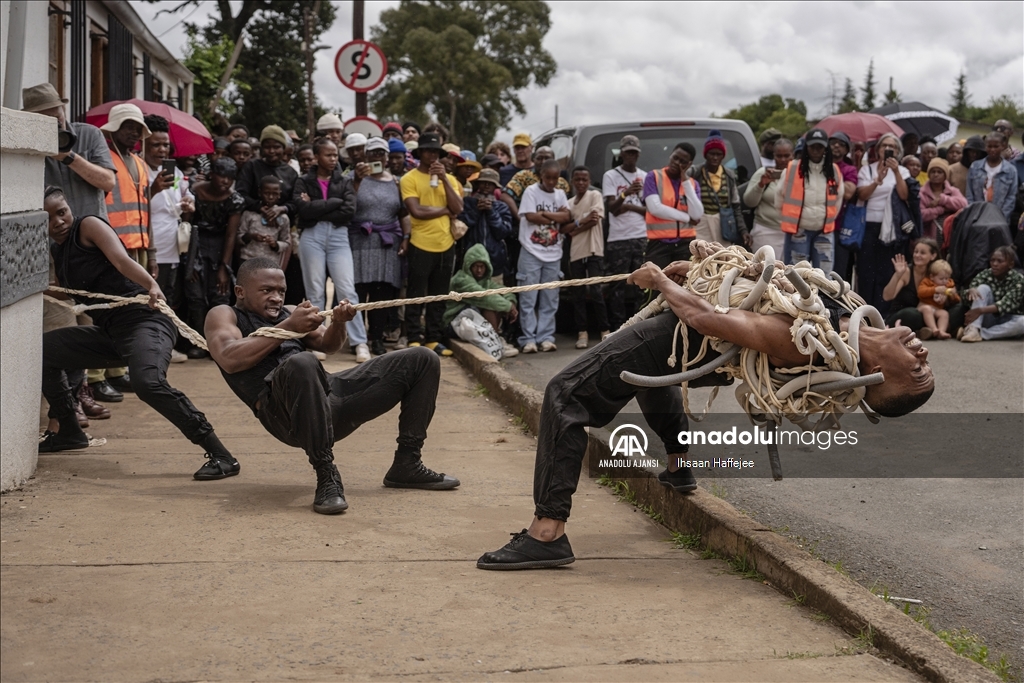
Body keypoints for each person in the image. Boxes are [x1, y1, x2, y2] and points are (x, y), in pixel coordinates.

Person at [476, 254, 934, 569]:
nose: (924, 356)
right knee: (658, 381)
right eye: (925, 366)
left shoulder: (808, 346)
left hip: (683, 337)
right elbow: (762, 281)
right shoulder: (841, 312)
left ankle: (547, 532)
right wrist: (698, 270)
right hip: (685, 347)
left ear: (875, 373)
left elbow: (705, 319)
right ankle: (679, 466)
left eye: (916, 372)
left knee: (564, 393)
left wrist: (661, 282)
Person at [205, 258, 459, 514]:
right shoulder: (225, 315)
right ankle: (327, 475)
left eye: (280, 291)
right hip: (286, 415)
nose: (276, 298)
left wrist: (339, 322)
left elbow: (329, 345)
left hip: (329, 399)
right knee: (302, 362)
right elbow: (229, 358)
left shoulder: (288, 312)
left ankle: (407, 463)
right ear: (240, 292)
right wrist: (288, 326)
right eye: (266, 290)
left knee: (423, 359)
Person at [40, 186, 238, 480]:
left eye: (62, 211)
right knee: (45, 350)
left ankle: (221, 455)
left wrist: (151, 286)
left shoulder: (88, 226)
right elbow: (69, 291)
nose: (58, 221)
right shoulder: (59, 250)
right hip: (111, 333)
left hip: (146, 321)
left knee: (147, 383)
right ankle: (69, 431)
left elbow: (122, 260)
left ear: (70, 209)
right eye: (48, 217)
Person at [293, 138, 369, 363]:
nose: (333, 158)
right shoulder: (303, 181)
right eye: (328, 155)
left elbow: (349, 211)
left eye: (335, 154)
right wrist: (334, 203)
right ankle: (319, 339)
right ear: (316, 157)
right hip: (311, 236)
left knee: (347, 289)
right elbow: (302, 210)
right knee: (315, 290)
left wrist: (317, 207)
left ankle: (359, 342)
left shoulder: (344, 181)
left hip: (338, 236)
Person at [400, 132, 463, 355]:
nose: (433, 155)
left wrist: (445, 179)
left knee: (440, 295)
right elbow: (416, 211)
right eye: (428, 150)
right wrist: (445, 210)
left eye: (436, 151)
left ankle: (433, 339)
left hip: (446, 244)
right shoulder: (409, 179)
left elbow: (458, 208)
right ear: (420, 153)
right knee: (416, 294)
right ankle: (414, 337)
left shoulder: (451, 180)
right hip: (420, 243)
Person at [349, 137, 409, 358]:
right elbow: (348, 206)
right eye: (372, 153)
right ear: (366, 156)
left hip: (387, 244)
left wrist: (406, 237)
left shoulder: (396, 182)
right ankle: (358, 340)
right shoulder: (354, 178)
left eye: (381, 154)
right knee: (358, 291)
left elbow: (403, 213)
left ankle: (376, 339)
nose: (377, 157)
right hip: (358, 241)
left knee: (381, 294)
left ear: (386, 158)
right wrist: (356, 180)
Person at [142, 114, 193, 364]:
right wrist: (152, 190)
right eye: (155, 144)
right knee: (148, 299)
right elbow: (133, 204)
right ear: (143, 144)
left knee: (168, 297)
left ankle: (163, 346)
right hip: (147, 247)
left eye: (165, 145)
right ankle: (149, 348)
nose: (162, 150)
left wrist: (188, 203)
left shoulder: (175, 171)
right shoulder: (139, 170)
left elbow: (187, 195)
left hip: (172, 246)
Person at [22, 83, 115, 220]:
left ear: (63, 110)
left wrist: (69, 157)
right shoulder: (26, 149)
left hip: (92, 234)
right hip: (52, 236)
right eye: (46, 121)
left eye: (57, 118)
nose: (54, 125)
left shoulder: (90, 135)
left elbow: (108, 182)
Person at [184, 158, 244, 359]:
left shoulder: (234, 200)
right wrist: (190, 260)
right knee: (195, 295)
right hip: (196, 243)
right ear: (212, 174)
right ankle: (199, 341)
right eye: (221, 176)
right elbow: (185, 225)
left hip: (220, 246)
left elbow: (230, 234)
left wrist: (223, 267)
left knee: (220, 294)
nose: (225, 181)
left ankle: (219, 342)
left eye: (230, 178)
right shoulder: (194, 191)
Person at [516, 159, 570, 353]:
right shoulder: (531, 191)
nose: (551, 182)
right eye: (548, 177)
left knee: (550, 298)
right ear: (541, 175)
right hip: (531, 250)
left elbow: (566, 218)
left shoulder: (561, 194)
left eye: (555, 178)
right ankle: (528, 339)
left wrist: (545, 213)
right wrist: (555, 215)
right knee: (528, 297)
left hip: (553, 254)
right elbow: (531, 216)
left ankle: (546, 337)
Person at [855, 132, 912, 309]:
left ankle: (883, 312)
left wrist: (895, 172)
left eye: (892, 147)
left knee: (887, 270)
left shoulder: (902, 171)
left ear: (898, 151)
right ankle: (864, 310)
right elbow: (862, 195)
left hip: (892, 228)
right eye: (884, 146)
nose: (888, 149)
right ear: (878, 150)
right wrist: (877, 181)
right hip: (870, 225)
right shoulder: (868, 169)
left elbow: (904, 195)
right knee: (866, 270)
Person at [775, 128, 842, 271]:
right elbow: (779, 197)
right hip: (798, 231)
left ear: (825, 148)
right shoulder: (792, 168)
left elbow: (838, 199)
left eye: (820, 147)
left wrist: (827, 219)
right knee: (796, 277)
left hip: (824, 232)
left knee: (825, 279)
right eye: (813, 147)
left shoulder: (834, 171)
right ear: (807, 147)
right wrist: (792, 220)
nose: (816, 150)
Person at [602, 135, 649, 330]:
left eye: (634, 153)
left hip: (640, 236)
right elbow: (611, 208)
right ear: (621, 153)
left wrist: (629, 207)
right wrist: (626, 193)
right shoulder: (611, 176)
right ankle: (617, 326)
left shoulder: (645, 176)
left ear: (638, 154)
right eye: (627, 152)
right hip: (618, 238)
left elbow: (649, 210)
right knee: (618, 285)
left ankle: (640, 324)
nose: (631, 156)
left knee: (643, 284)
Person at [442, 243, 518, 353]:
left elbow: (503, 291)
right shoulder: (461, 280)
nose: (479, 270)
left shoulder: (485, 281)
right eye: (475, 266)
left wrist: (511, 302)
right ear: (468, 266)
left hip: (469, 325)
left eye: (482, 267)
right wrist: (508, 306)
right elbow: (484, 297)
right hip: (453, 324)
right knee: (489, 306)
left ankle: (494, 340)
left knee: (497, 302)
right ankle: (494, 342)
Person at [564, 166, 609, 349]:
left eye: (584, 179)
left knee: (597, 291)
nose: (581, 183)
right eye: (577, 179)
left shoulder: (595, 196)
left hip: (594, 250)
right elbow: (562, 228)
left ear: (589, 181)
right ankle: (582, 332)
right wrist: (580, 223)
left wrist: (574, 230)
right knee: (578, 293)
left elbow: (595, 219)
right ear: (573, 182)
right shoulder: (569, 203)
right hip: (576, 252)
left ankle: (604, 330)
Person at [642, 142, 704, 269]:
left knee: (685, 285)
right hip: (659, 243)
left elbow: (697, 214)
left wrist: (685, 181)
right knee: (657, 285)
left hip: (686, 243)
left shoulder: (692, 184)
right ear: (670, 155)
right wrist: (687, 218)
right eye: (675, 158)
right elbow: (655, 209)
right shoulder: (653, 177)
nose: (677, 163)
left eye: (682, 161)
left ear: (689, 164)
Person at [236, 126, 300, 227]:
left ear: (283, 148)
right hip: (251, 224)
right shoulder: (251, 167)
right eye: (267, 147)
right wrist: (259, 207)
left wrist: (282, 209)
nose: (271, 151)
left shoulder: (291, 173)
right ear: (262, 148)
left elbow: (295, 201)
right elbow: (240, 193)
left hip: (279, 226)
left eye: (276, 147)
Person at [458, 167, 514, 284]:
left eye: (490, 184)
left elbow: (502, 232)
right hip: (470, 260)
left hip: (495, 261)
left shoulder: (502, 207)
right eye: (483, 183)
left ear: (496, 187)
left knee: (494, 295)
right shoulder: (468, 202)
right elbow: (461, 227)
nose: (486, 186)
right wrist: (476, 211)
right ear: (478, 184)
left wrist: (491, 211)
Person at [690, 130, 745, 246]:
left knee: (723, 258)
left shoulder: (729, 176)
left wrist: (743, 230)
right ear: (705, 154)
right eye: (711, 153)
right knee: (701, 256)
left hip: (723, 225)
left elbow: (736, 206)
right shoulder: (696, 172)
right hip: (700, 224)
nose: (715, 158)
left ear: (723, 156)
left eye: (718, 154)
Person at [959, 246, 1024, 342]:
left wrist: (980, 310)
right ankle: (973, 329)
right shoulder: (985, 274)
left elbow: (1007, 303)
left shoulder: (1018, 279)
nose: (994, 264)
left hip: (1008, 319)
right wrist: (970, 291)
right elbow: (964, 297)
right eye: (992, 260)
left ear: (1010, 264)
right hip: (987, 318)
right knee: (982, 288)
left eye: (999, 261)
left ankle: (981, 333)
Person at [743, 138, 793, 259]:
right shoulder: (763, 173)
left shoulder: (799, 176)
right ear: (773, 156)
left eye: (787, 156)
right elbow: (749, 201)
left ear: (793, 155)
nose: (783, 160)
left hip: (792, 234)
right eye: (779, 156)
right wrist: (761, 184)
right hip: (765, 232)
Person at [881, 238, 940, 332]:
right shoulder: (906, 272)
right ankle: (926, 330)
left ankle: (930, 330)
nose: (917, 255)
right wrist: (897, 275)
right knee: (912, 314)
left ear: (933, 256)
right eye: (916, 252)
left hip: (927, 314)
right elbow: (887, 296)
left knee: (953, 311)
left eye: (922, 253)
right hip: (903, 315)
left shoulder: (934, 273)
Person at [502, 146, 572, 220]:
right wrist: (519, 217)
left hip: (553, 228)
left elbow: (566, 209)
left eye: (547, 158)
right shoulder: (523, 176)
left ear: (553, 160)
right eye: (539, 158)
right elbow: (505, 195)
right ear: (533, 160)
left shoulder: (561, 183)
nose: (543, 162)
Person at [238, 176, 291, 265]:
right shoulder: (249, 214)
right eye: (267, 193)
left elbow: (286, 242)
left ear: (279, 194)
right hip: (247, 259)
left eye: (274, 194)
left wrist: (275, 244)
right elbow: (239, 237)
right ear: (260, 193)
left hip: (271, 261)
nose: (270, 197)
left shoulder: (283, 218)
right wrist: (251, 236)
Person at [828, 132, 860, 281]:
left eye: (841, 144)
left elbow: (847, 193)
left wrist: (830, 178)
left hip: (839, 228)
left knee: (837, 272)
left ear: (847, 150)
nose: (836, 145)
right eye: (833, 142)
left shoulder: (849, 170)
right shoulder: (816, 166)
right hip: (815, 225)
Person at [966, 133, 1018, 224]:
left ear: (1003, 146)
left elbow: (1011, 197)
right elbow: (969, 194)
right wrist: (974, 215)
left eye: (996, 146)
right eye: (989, 146)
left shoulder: (1010, 170)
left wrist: (1001, 218)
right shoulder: (975, 167)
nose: (992, 149)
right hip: (976, 218)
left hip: (1000, 220)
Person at [919, 158, 967, 242]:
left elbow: (964, 204)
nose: (936, 174)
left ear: (945, 175)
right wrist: (941, 209)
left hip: (951, 236)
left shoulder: (953, 191)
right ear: (929, 174)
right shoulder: (921, 193)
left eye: (939, 172)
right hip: (929, 239)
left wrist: (943, 200)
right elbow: (921, 215)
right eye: (933, 172)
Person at [916, 259, 959, 339]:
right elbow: (921, 292)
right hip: (924, 306)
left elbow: (957, 300)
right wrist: (935, 289)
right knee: (927, 309)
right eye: (941, 278)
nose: (944, 281)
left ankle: (941, 331)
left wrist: (953, 294)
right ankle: (933, 329)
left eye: (946, 278)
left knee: (944, 313)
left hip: (937, 309)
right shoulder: (927, 282)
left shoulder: (949, 284)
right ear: (932, 277)